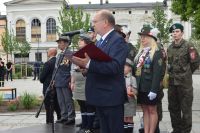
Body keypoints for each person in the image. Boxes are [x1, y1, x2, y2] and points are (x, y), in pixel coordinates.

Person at [68, 10, 128, 133]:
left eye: (95, 21)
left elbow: (114, 67)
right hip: (101, 96)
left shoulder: (117, 40)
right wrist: (84, 67)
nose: (93, 24)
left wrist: (89, 63)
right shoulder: (100, 41)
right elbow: (98, 63)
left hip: (111, 97)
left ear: (105, 22)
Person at [167, 23, 200, 133]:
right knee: (173, 108)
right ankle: (176, 129)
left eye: (177, 32)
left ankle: (185, 131)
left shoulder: (189, 46)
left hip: (184, 85)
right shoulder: (170, 48)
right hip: (172, 83)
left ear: (182, 33)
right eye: (173, 32)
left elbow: (195, 62)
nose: (175, 34)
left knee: (185, 109)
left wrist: (186, 73)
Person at [134, 25, 163, 133]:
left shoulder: (157, 52)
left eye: (145, 36)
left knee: (152, 111)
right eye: (141, 36)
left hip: (151, 89)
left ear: (151, 38)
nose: (142, 39)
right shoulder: (141, 53)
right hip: (141, 88)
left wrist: (154, 90)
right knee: (145, 111)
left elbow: (157, 73)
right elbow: (136, 71)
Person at [71, 34, 96, 133]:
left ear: (86, 43)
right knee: (82, 105)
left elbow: (92, 66)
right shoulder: (77, 53)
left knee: (88, 105)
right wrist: (72, 81)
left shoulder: (90, 53)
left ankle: (89, 127)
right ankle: (84, 125)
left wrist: (83, 67)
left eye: (81, 40)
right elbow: (72, 69)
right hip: (78, 82)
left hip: (87, 81)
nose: (79, 42)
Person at [54, 36, 75, 125]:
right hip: (58, 80)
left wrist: (71, 80)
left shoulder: (69, 54)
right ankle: (64, 116)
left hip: (66, 80)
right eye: (58, 42)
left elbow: (71, 68)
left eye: (60, 42)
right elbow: (56, 69)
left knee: (68, 100)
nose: (58, 44)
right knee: (61, 100)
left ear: (66, 43)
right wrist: (53, 80)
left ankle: (71, 117)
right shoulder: (59, 55)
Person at [39, 48, 61, 124]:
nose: (47, 52)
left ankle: (49, 122)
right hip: (57, 87)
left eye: (48, 51)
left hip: (48, 88)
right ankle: (60, 120)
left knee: (49, 108)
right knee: (58, 106)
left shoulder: (48, 63)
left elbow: (42, 78)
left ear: (51, 53)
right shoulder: (59, 62)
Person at [124, 58, 137, 133]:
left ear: (130, 68)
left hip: (130, 101)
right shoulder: (120, 78)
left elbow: (135, 91)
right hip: (123, 101)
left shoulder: (133, 79)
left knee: (130, 118)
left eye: (124, 67)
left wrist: (132, 90)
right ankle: (124, 130)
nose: (122, 69)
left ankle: (129, 131)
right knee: (124, 117)